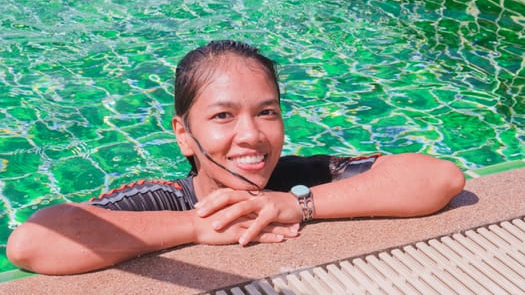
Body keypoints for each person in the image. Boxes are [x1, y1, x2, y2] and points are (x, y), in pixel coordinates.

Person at [7, 40, 465, 275]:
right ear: (185, 135)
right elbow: (32, 243)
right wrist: (198, 227)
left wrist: (296, 204)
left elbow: (441, 177)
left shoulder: (299, 178)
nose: (251, 135)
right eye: (223, 116)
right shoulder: (163, 199)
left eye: (267, 112)